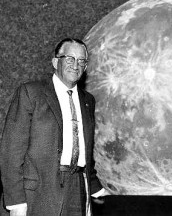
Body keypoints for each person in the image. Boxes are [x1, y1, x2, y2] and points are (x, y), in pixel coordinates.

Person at [0, 38, 104, 216]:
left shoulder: (88, 101)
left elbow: (85, 155)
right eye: (70, 58)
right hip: (38, 196)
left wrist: (98, 191)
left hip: (78, 192)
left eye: (81, 61)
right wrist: (16, 202)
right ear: (56, 61)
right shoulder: (31, 93)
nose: (76, 65)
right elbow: (11, 153)